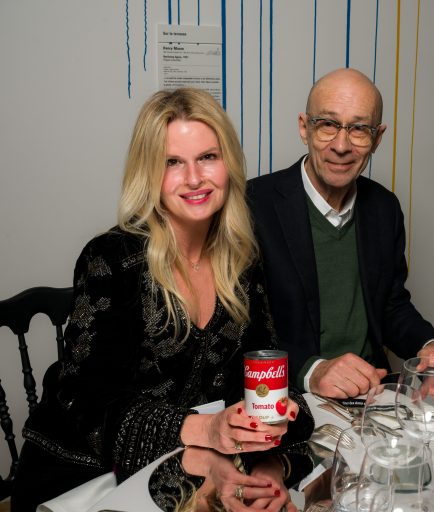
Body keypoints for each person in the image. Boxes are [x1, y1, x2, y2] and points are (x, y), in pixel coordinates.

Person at [12, 88, 313, 512]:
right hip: (85, 475)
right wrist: (206, 432)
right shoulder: (112, 259)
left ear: (228, 163)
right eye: (172, 162)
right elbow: (87, 404)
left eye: (207, 157)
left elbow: (263, 378)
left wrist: (269, 465)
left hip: (192, 465)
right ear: (148, 172)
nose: (194, 178)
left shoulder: (242, 261)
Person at [246, 68, 434, 398]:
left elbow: (391, 305)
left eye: (359, 129)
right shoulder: (252, 205)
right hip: (286, 397)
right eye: (328, 124)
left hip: (371, 393)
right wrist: (311, 371)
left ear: (377, 139)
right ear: (304, 128)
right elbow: (241, 328)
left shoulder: (384, 208)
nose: (341, 146)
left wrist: (430, 345)